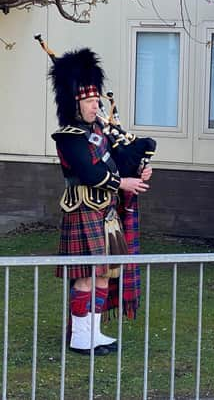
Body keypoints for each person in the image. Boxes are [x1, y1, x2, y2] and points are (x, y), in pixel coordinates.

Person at [49, 48, 152, 356]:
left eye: (97, 101)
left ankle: (94, 333)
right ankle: (80, 337)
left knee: (106, 273)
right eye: (92, 102)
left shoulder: (100, 132)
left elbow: (116, 163)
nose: (97, 106)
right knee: (86, 276)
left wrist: (140, 169)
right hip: (83, 211)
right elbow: (90, 172)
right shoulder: (68, 137)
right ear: (75, 103)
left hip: (107, 214)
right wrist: (123, 183)